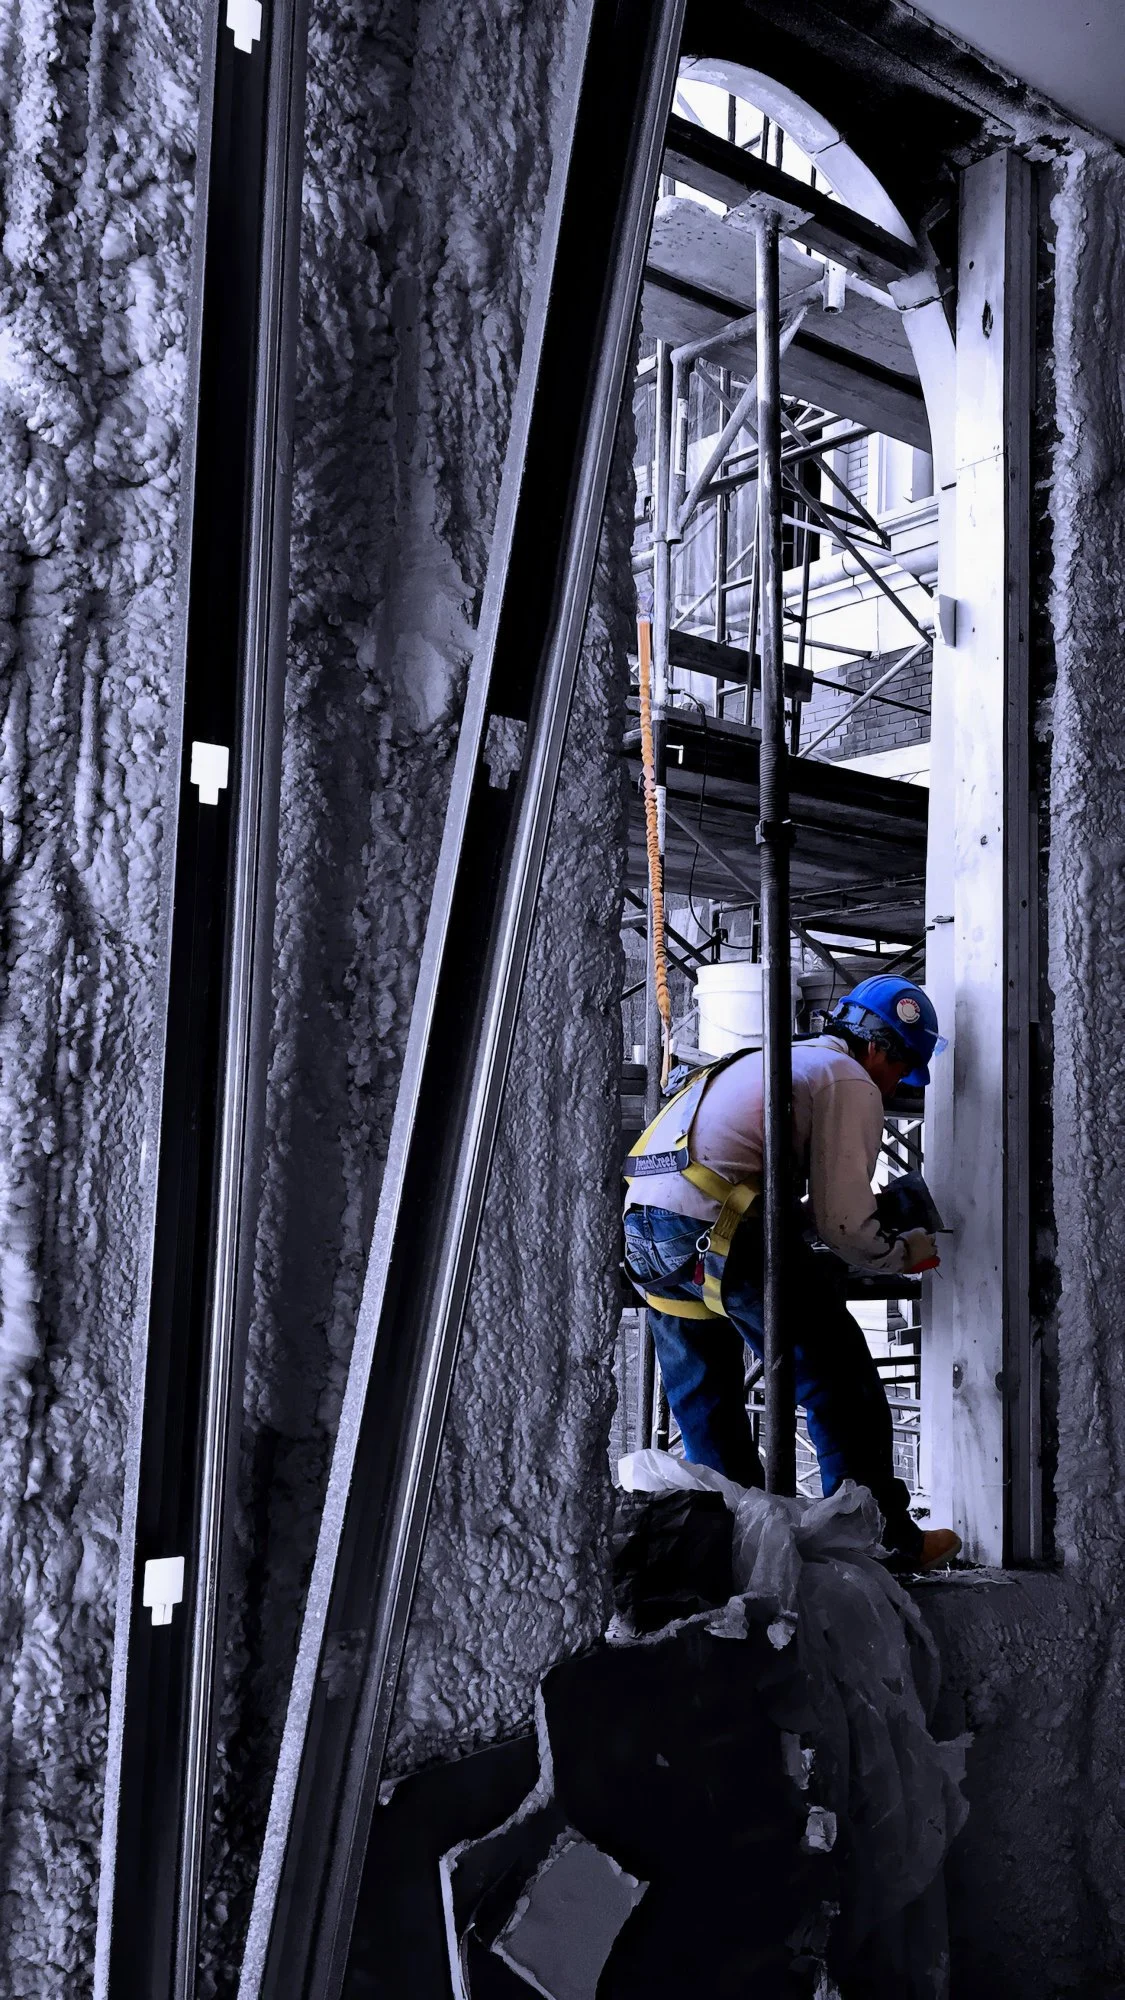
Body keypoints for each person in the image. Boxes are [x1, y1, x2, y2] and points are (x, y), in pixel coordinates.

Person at [622, 976, 961, 1571]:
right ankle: (882, 1542)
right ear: (882, 1049)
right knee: (838, 1379)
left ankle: (737, 1556)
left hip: (650, 1232)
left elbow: (767, 1201)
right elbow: (844, 1228)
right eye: (899, 1071)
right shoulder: (849, 1079)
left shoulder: (774, 1061)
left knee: (708, 1405)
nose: (893, 1086)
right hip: (719, 1228)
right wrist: (904, 1252)